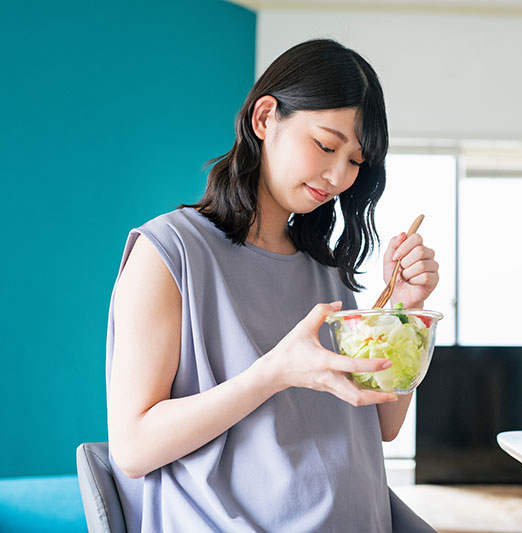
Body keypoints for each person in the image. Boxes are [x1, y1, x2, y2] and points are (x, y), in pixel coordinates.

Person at [105, 39, 440, 532]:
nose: (338, 175)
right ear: (265, 118)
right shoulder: (170, 252)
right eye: (326, 145)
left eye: (355, 161)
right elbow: (132, 450)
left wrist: (404, 315)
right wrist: (274, 372)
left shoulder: (324, 271)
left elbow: (383, 427)